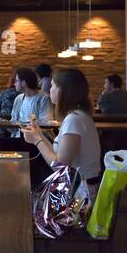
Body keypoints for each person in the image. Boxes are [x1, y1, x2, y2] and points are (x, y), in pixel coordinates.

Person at [23, 66, 102, 194]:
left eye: (53, 86)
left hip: (81, 194)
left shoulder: (74, 120)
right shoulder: (78, 116)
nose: (49, 89)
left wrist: (37, 140)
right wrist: (39, 135)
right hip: (80, 187)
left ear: (63, 91)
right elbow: (58, 155)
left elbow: (60, 167)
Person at [9, 67, 50, 134]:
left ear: (23, 83)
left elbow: (46, 125)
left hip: (35, 140)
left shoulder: (44, 98)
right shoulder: (19, 98)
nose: (14, 84)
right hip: (18, 138)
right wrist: (3, 125)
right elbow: (13, 123)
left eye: (16, 81)